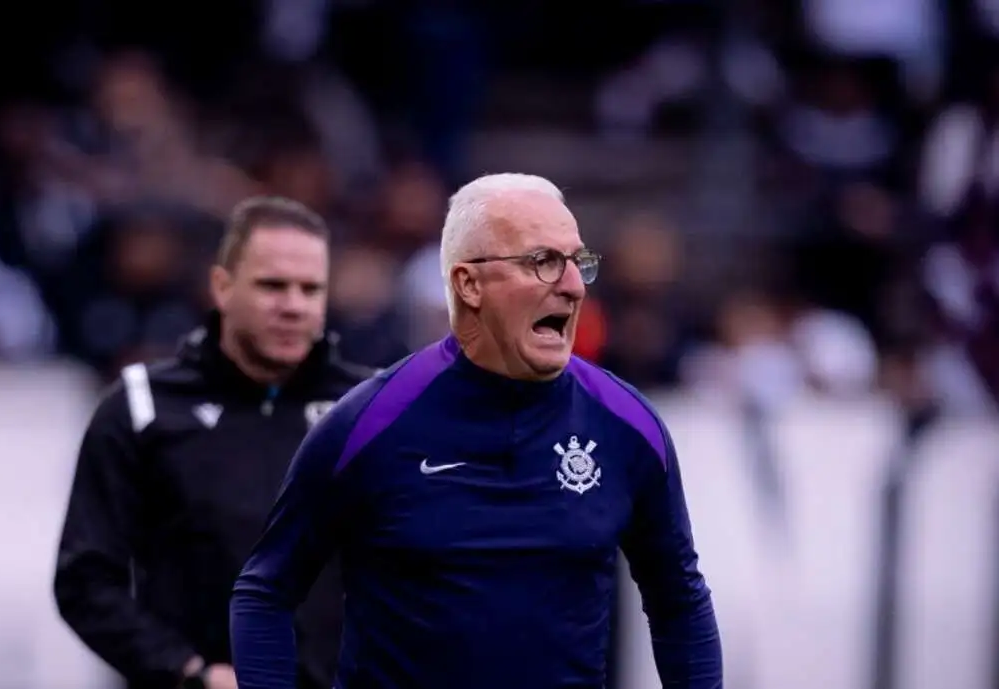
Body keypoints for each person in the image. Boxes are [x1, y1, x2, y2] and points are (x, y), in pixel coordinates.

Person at [230, 174, 723, 688]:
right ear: (469, 284)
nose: (574, 286)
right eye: (543, 261)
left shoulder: (627, 425)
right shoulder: (367, 424)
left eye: (578, 263)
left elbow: (679, 601)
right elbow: (265, 592)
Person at [55, 196, 373, 689]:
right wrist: (187, 670)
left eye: (311, 289)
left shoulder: (375, 409)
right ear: (222, 287)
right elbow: (85, 581)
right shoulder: (142, 408)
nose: (294, 306)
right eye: (272, 285)